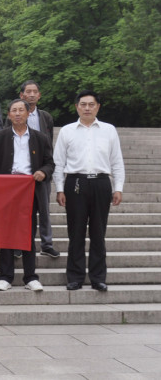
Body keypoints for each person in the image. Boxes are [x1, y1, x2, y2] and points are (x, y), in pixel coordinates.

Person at [53, 90, 124, 292]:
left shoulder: (109, 130)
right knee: (75, 232)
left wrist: (118, 187)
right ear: (77, 107)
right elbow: (59, 162)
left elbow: (117, 161)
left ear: (98, 107)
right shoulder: (67, 131)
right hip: (75, 183)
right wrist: (59, 189)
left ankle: (98, 277)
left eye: (91, 104)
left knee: (98, 233)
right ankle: (75, 277)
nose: (87, 108)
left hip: (101, 183)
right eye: (83, 104)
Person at [0, 99, 54, 293]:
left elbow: (50, 163)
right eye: (14, 110)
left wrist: (43, 172)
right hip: (7, 191)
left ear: (27, 114)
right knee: (6, 235)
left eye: (21, 110)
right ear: (9, 115)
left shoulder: (40, 138)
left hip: (30, 189)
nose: (17, 114)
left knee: (28, 234)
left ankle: (30, 276)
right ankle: (5, 276)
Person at [17, 80, 58, 258]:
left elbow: (49, 143)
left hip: (42, 169)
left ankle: (46, 244)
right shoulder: (15, 115)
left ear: (39, 95)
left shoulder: (45, 117)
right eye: (28, 91)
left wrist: (46, 169)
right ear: (22, 95)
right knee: (21, 211)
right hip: (21, 170)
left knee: (44, 210)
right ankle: (19, 244)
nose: (32, 94)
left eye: (35, 91)